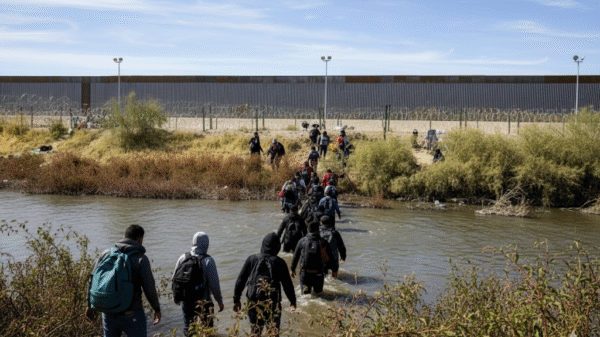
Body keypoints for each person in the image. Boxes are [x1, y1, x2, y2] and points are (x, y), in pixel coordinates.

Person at [85, 224, 161, 337]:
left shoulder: (106, 254)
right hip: (132, 314)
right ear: (140, 239)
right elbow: (149, 287)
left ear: (124, 237)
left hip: (108, 312)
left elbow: (93, 281)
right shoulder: (141, 259)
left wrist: (90, 306)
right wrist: (156, 308)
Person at [233, 233, 297, 336]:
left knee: (255, 332)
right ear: (278, 247)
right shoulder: (279, 262)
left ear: (263, 244)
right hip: (273, 304)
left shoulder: (252, 259)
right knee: (273, 333)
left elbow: (241, 280)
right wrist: (293, 301)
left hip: (254, 304)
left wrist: (236, 300)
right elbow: (287, 285)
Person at [172, 232, 224, 334]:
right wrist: (220, 302)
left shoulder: (183, 257)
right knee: (207, 328)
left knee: (189, 328)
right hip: (204, 301)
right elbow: (214, 286)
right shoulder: (208, 260)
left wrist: (176, 296)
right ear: (206, 244)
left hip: (186, 300)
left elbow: (174, 278)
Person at [290, 221, 339, 294]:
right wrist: (334, 270)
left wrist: (292, 269)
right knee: (319, 294)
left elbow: (295, 256)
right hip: (319, 274)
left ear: (308, 230)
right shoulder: (323, 242)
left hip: (305, 274)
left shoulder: (302, 241)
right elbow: (331, 257)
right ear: (318, 230)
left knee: (305, 295)